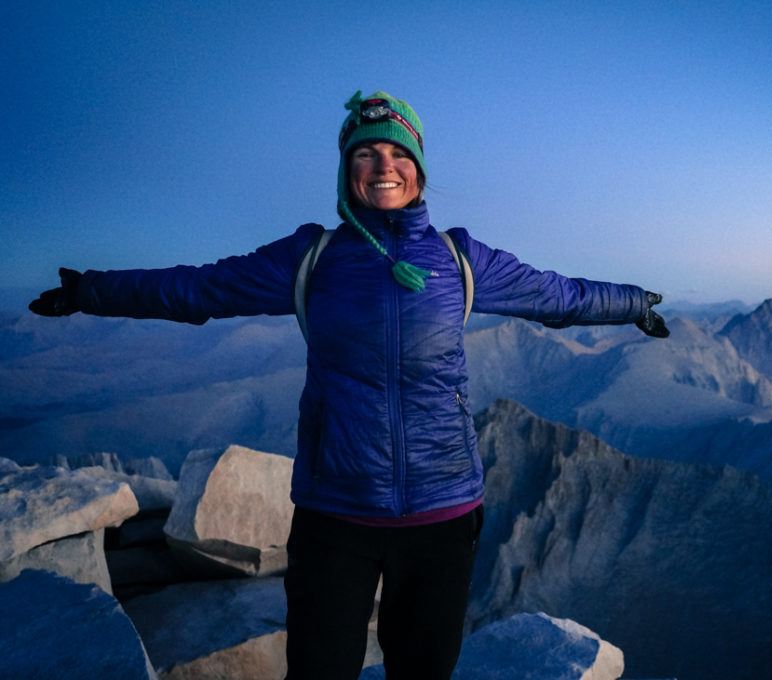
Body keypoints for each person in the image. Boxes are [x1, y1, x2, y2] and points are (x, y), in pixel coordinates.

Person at [30, 90, 670, 679]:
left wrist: (633, 301)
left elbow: (558, 295)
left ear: (419, 169)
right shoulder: (311, 257)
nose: (383, 165)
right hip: (337, 513)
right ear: (347, 169)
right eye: (366, 153)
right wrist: (91, 289)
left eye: (398, 153)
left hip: (443, 513)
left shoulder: (459, 259)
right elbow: (199, 288)